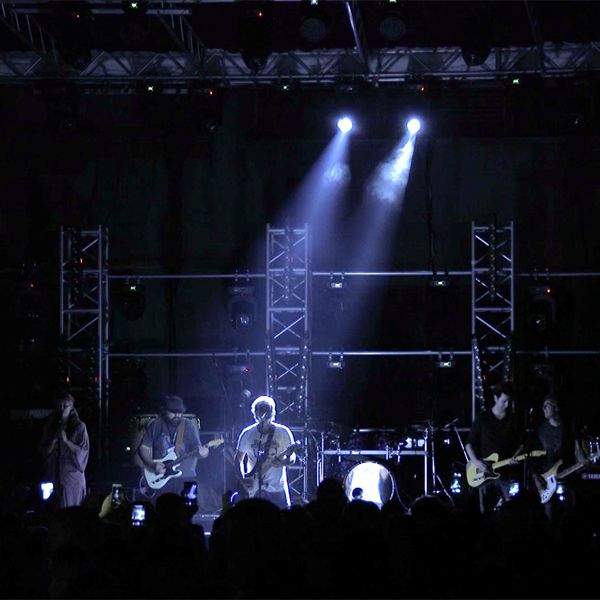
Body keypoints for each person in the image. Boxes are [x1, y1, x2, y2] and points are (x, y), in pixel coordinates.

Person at [465, 382, 524, 515]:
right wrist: (477, 462)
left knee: (511, 509)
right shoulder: (482, 418)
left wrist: (516, 456)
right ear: (495, 398)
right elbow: (469, 443)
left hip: (506, 472)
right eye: (504, 401)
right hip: (484, 473)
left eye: (509, 402)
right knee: (484, 510)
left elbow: (522, 443)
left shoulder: (514, 419)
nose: (507, 405)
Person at [137, 395, 209, 497]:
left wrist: (204, 453)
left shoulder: (188, 425)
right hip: (161, 478)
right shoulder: (157, 424)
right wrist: (153, 464)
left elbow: (197, 449)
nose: (177, 415)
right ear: (164, 411)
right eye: (173, 412)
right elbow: (144, 448)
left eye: (179, 412)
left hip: (186, 477)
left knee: (189, 506)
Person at [532, 394, 588, 520]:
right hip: (547, 478)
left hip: (567, 475)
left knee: (573, 510)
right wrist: (536, 477)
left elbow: (577, 448)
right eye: (543, 406)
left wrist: (583, 462)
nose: (543, 408)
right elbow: (534, 456)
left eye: (547, 405)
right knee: (549, 514)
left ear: (556, 407)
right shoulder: (540, 429)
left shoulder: (569, 426)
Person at [235, 395, 296, 509]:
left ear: (273, 412)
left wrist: (283, 463)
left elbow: (292, 457)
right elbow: (238, 459)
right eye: (261, 409)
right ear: (255, 413)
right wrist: (242, 479)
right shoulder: (247, 433)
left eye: (267, 409)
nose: (264, 413)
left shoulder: (283, 432)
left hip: (277, 488)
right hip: (254, 488)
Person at [40, 391, 90, 509]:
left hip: (71, 480)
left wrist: (66, 441)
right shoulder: (50, 426)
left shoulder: (79, 427)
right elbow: (44, 451)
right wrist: (54, 440)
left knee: (70, 512)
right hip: (53, 478)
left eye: (65, 406)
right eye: (60, 406)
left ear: (71, 407)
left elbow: (83, 452)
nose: (62, 409)